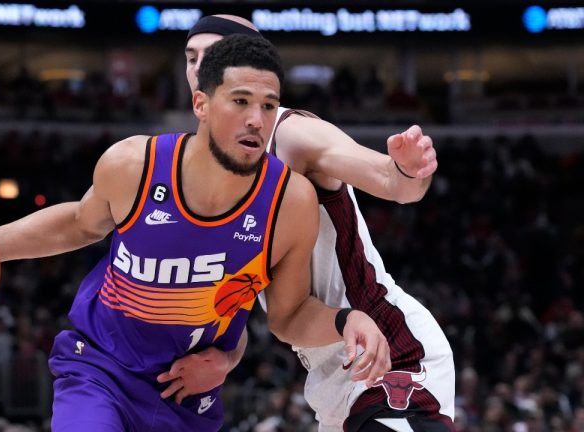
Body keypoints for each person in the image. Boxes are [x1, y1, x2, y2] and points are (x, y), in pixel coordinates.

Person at [0, 34, 390, 431]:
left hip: (186, 394)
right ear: (201, 104)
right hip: (100, 370)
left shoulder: (290, 201)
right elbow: (79, 223)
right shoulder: (134, 165)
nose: (257, 119)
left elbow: (289, 316)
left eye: (269, 105)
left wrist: (347, 320)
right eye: (241, 101)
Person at [155, 15, 455, 432]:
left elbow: (393, 183)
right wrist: (226, 359)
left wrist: (407, 169)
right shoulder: (207, 170)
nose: (198, 67)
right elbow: (245, 300)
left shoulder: (291, 134)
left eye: (214, 53)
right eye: (191, 57)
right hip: (328, 374)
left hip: (392, 350)